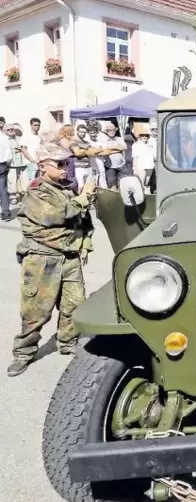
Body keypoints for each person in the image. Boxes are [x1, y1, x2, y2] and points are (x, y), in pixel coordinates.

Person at [7, 142, 95, 377]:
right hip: (42, 259)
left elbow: (81, 219)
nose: (66, 167)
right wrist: (84, 198)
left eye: (67, 162)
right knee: (36, 311)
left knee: (74, 304)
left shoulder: (66, 189)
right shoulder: (37, 190)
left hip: (69, 257)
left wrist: (86, 242)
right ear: (43, 166)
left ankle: (67, 342)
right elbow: (57, 215)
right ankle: (24, 352)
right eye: (60, 163)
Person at [20, 117, 41, 188]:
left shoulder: (38, 136)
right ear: (31, 125)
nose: (37, 127)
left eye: (38, 125)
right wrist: (31, 159)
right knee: (31, 181)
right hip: (30, 161)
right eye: (35, 125)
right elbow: (23, 149)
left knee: (38, 181)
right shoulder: (26, 135)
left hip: (38, 161)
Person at [0, 124, 11, 220]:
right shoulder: (5, 138)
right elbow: (9, 154)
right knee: (3, 189)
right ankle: (6, 213)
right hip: (2, 164)